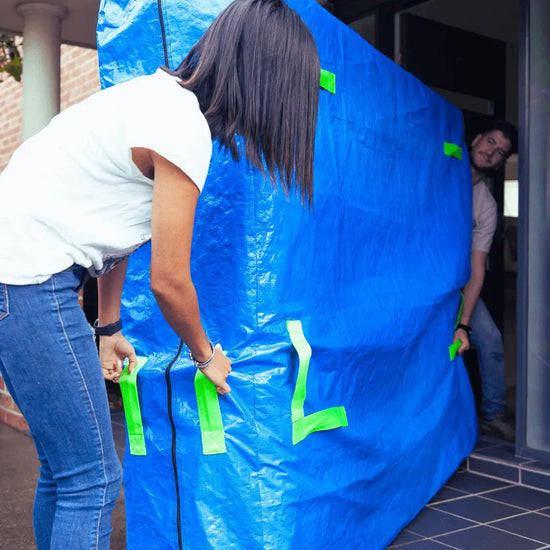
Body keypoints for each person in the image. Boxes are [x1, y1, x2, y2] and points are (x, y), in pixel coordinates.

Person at [0, 1, 320, 548]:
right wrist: (204, 355)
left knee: (63, 469)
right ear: (269, 78)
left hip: (20, 277)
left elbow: (111, 229)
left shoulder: (150, 97)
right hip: (30, 279)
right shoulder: (182, 126)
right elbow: (170, 282)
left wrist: (107, 326)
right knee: (93, 480)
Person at [453, 120, 518, 442]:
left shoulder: (486, 205)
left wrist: (464, 323)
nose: (491, 151)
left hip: (456, 283)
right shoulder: (440, 168)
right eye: (490, 141)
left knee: (490, 340)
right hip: (418, 276)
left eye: (500, 151)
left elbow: (477, 267)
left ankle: (493, 412)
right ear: (475, 138)